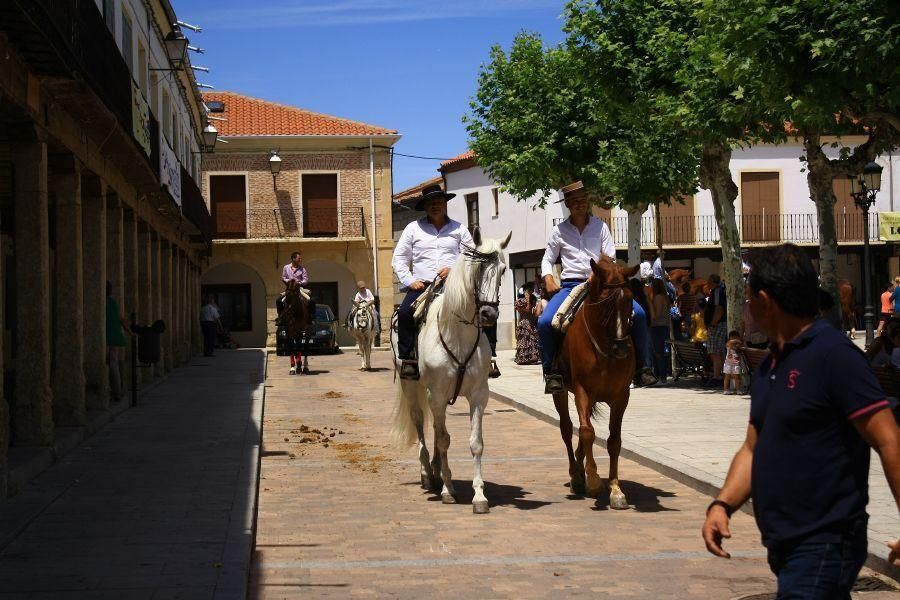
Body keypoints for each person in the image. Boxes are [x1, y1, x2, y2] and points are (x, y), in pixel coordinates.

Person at [701, 244, 900, 597]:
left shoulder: (833, 356)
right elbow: (752, 448)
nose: (746, 309)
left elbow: (889, 440)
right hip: (785, 543)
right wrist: (722, 504)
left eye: (747, 299)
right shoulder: (771, 364)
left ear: (765, 300)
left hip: (826, 539)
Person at [537, 184, 655, 393]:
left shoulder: (600, 227)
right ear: (568, 204)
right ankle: (551, 372)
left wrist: (598, 273)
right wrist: (548, 278)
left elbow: (609, 256)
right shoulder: (559, 231)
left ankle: (642, 367)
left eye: (583, 200)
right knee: (546, 322)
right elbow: (547, 259)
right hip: (570, 285)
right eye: (574, 201)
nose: (579, 205)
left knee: (640, 314)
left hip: (601, 284)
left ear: (588, 202)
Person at [391, 184, 473, 380]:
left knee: (482, 311)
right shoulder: (413, 228)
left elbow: (471, 257)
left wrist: (454, 270)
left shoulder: (459, 229)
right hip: (423, 286)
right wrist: (410, 281)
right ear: (425, 207)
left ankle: (489, 358)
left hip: (455, 286)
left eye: (438, 202)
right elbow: (399, 259)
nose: (435, 206)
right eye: (430, 203)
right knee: (404, 313)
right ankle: (409, 359)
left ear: (445, 204)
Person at [106, 281, 135, 402]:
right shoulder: (113, 303)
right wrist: (130, 332)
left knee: (112, 364)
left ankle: (117, 393)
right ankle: (119, 391)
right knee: (116, 363)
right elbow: (121, 319)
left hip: (108, 337)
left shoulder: (102, 303)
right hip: (117, 337)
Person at [648, 278, 671, 383]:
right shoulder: (664, 297)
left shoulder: (658, 298)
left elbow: (657, 315)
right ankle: (661, 375)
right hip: (664, 326)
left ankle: (661, 375)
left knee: (658, 353)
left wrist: (649, 303)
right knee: (660, 352)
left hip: (658, 327)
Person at [705, 273, 727, 382]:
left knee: (715, 352)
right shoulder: (716, 292)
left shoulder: (717, 291)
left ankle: (716, 377)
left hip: (717, 325)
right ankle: (720, 375)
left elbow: (719, 308)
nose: (707, 284)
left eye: (708, 282)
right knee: (718, 352)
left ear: (712, 282)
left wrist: (713, 323)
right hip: (717, 324)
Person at [514, 286, 540, 365]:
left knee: (531, 340)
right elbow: (527, 310)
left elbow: (532, 311)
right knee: (525, 340)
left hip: (531, 321)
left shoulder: (532, 299)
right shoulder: (521, 301)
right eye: (528, 290)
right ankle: (523, 358)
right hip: (524, 323)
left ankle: (531, 358)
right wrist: (527, 298)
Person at [722, 330, 744, 395]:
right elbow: (730, 343)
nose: (734, 339)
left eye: (736, 337)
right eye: (733, 337)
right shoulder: (728, 343)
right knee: (727, 377)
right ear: (730, 338)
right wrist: (737, 340)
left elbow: (741, 345)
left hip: (736, 363)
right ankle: (725, 389)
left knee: (737, 377)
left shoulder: (739, 345)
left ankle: (738, 390)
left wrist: (739, 342)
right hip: (728, 363)